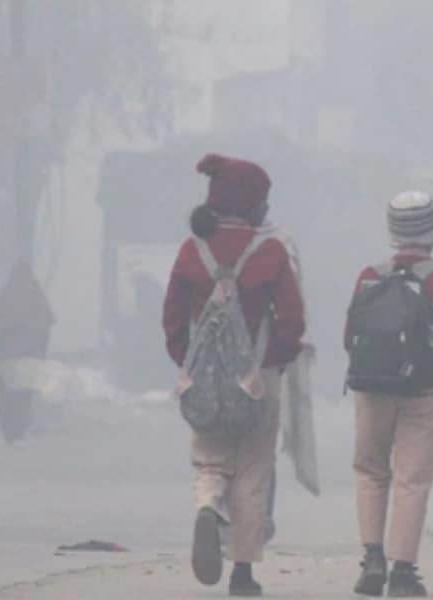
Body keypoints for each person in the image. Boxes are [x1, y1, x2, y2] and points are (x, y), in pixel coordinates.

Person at [163, 153, 305, 597]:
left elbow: (172, 318)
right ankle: (242, 572)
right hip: (258, 377)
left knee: (210, 456)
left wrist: (188, 361)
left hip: (204, 376)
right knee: (254, 469)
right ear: (250, 203)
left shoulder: (192, 249)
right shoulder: (271, 250)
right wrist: (273, 361)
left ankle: (207, 506)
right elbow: (292, 320)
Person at [345, 191, 433, 597]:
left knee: (370, 471)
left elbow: (350, 336)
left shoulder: (370, 275)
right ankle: (402, 570)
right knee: (412, 479)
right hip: (424, 391)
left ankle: (371, 559)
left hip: (372, 388)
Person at [0, 260, 56, 445]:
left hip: (7, 356)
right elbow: (45, 327)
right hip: (30, 357)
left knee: (8, 394)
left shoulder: (5, 298)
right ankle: (19, 430)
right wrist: (40, 352)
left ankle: (9, 430)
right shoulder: (37, 298)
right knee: (24, 395)